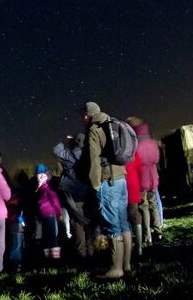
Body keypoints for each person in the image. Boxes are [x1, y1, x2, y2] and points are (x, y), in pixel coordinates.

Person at [83, 101, 131, 279]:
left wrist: (95, 184)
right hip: (121, 178)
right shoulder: (112, 123)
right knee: (123, 221)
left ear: (88, 115)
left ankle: (115, 269)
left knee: (112, 224)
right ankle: (126, 264)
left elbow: (94, 160)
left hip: (107, 181)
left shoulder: (94, 130)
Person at [53, 133, 94, 259]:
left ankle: (81, 252)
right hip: (89, 191)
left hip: (73, 192)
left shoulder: (68, 155)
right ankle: (91, 250)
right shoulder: (89, 154)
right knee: (89, 221)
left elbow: (56, 150)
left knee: (78, 222)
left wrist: (67, 142)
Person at [128, 117, 163, 246]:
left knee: (143, 206)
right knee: (153, 204)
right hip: (153, 176)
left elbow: (135, 162)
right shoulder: (152, 142)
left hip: (142, 178)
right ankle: (158, 231)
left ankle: (147, 234)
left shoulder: (135, 145)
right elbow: (156, 159)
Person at [35, 165, 62, 260]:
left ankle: (47, 256)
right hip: (51, 213)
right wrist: (59, 213)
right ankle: (55, 257)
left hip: (42, 213)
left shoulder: (39, 186)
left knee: (46, 235)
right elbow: (55, 201)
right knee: (53, 235)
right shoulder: (48, 187)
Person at [124, 149, 142, 260]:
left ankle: (128, 247)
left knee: (123, 218)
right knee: (134, 215)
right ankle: (139, 248)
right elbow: (139, 167)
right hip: (133, 183)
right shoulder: (132, 149)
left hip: (120, 185)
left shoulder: (114, 148)